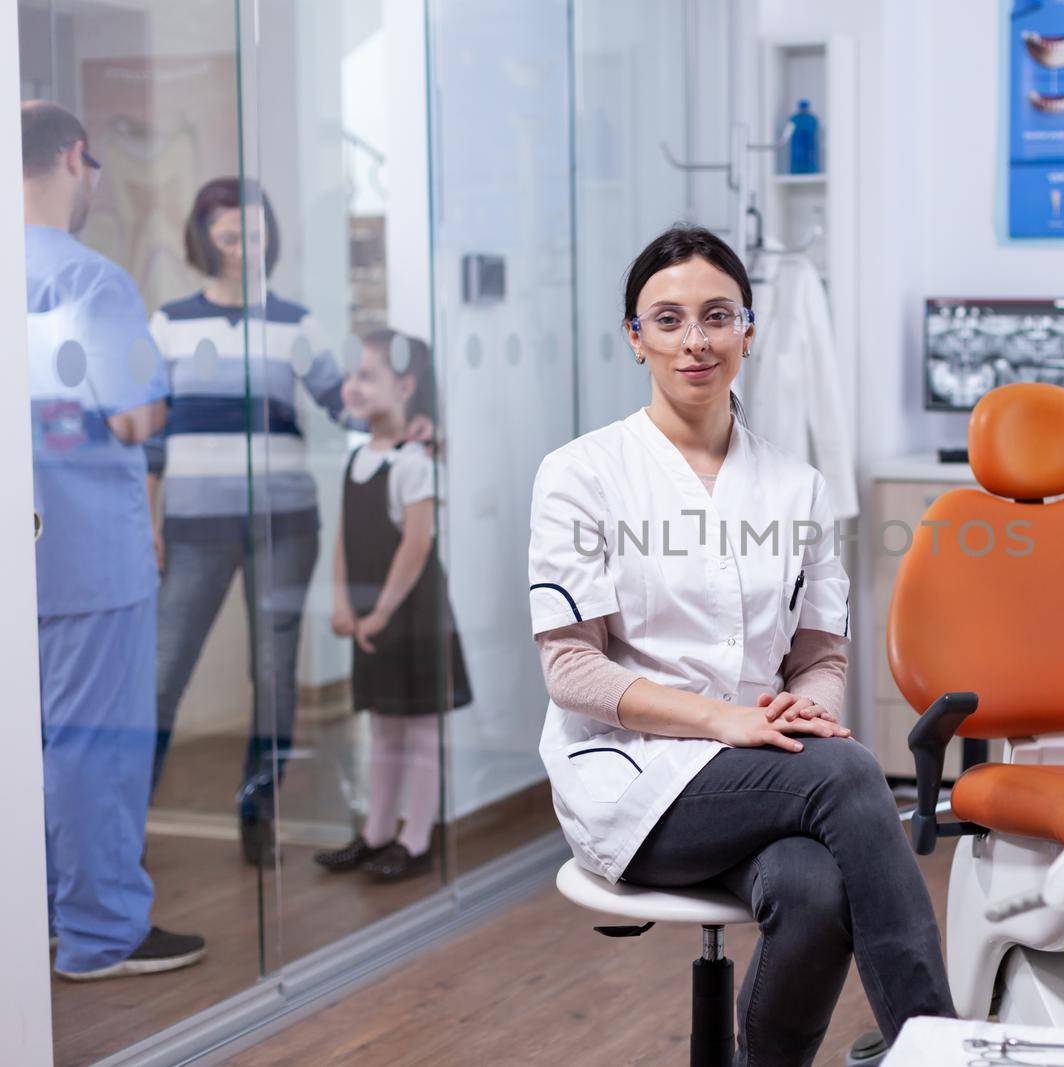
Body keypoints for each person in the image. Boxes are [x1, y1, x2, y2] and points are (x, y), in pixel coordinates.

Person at [528, 225, 955, 1065]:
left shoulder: (796, 487)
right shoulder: (582, 473)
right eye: (670, 319)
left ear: (748, 331)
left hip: (768, 771)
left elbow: (820, 656)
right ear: (635, 337)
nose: (696, 340)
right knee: (847, 769)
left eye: (717, 316)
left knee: (815, 885)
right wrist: (725, 721)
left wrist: (809, 708)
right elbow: (571, 667)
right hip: (636, 777)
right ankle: (938, 1045)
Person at [22, 100, 206, 980]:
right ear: (72, 157)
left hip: (24, 554)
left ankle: (43, 917)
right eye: (92, 166)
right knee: (92, 744)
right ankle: (99, 934)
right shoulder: (90, 281)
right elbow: (135, 417)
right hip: (89, 558)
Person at [144, 177, 347, 865]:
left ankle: (257, 809)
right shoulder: (170, 322)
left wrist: (404, 423)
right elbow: (151, 439)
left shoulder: (295, 323)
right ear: (205, 242)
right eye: (230, 237)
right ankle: (124, 823)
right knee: (165, 671)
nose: (243, 249)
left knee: (275, 671)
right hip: (194, 526)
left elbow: (344, 402)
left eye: (254, 235)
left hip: (285, 521)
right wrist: (150, 522)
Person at [313, 330, 471, 882]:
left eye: (367, 375)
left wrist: (379, 611)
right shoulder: (356, 458)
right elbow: (343, 539)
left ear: (405, 385)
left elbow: (417, 542)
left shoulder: (416, 461)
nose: (353, 386)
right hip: (371, 616)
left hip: (411, 614)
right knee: (383, 727)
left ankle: (416, 836)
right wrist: (341, 602)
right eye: (351, 375)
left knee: (421, 727)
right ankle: (377, 830)